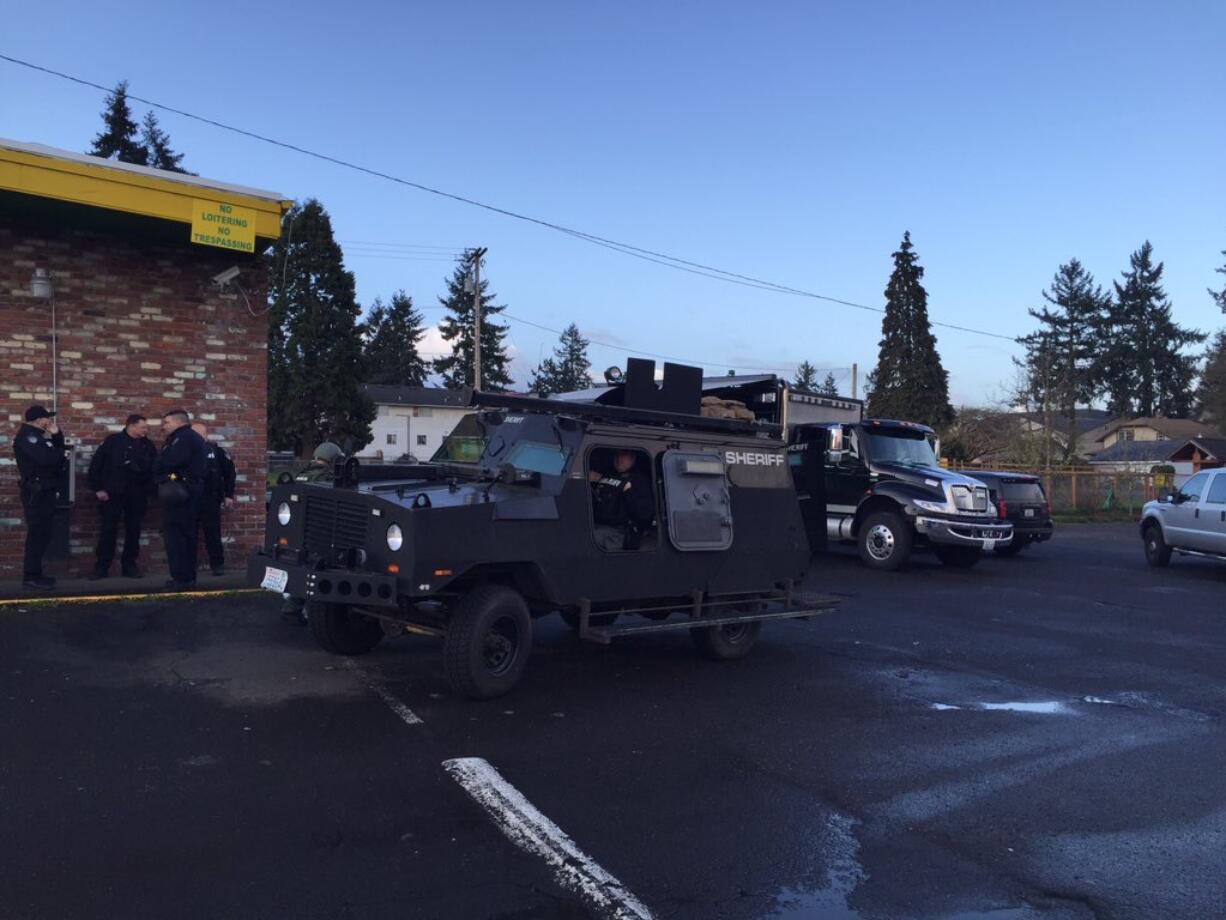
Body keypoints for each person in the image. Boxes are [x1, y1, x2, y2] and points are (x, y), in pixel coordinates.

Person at [278, 441, 344, 625]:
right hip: (319, 531)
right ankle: (298, 610)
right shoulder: (326, 478)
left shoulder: (303, 475)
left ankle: (292, 608)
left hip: (298, 532)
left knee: (303, 569)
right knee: (317, 572)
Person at [87, 414, 157, 579]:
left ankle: (130, 566)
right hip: (113, 494)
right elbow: (96, 465)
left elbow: (154, 469)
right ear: (131, 426)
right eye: (143, 427)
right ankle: (102, 567)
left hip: (137, 494)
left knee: (134, 531)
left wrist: (149, 492)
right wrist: (98, 488)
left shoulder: (147, 446)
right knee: (108, 530)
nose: (145, 430)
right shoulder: (113, 442)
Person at [12, 405, 66, 589]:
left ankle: (36, 574)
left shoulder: (39, 438)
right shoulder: (28, 437)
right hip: (37, 493)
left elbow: (58, 458)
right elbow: (48, 460)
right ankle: (30, 576)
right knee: (37, 534)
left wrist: (57, 436)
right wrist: (58, 454)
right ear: (37, 419)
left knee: (43, 534)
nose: (49, 422)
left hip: (45, 491)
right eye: (47, 419)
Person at [153, 409, 207, 591]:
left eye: (167, 422)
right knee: (186, 535)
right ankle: (186, 577)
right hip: (187, 492)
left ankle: (182, 578)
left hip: (182, 493)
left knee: (177, 535)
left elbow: (169, 461)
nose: (164, 426)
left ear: (178, 422)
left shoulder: (183, 439)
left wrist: (157, 466)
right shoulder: (185, 438)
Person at [191, 422, 237, 576]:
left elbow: (229, 472)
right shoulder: (184, 451)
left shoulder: (215, 451)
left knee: (213, 534)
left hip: (210, 498)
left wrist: (229, 495)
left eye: (201, 434)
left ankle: (217, 564)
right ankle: (188, 566)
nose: (198, 438)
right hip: (189, 499)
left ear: (205, 435)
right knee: (189, 534)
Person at [589, 449, 655, 551]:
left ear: (633, 458)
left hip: (620, 533)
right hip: (597, 524)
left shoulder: (640, 481)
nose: (619, 459)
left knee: (584, 538)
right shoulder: (606, 474)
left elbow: (645, 514)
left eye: (624, 455)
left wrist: (628, 492)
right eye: (617, 454)